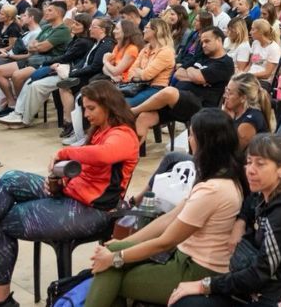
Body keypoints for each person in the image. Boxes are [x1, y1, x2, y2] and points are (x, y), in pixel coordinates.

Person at [0, 81, 140, 307]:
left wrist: (65, 152)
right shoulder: (101, 130)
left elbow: (103, 156)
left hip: (94, 212)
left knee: (1, 221)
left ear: (109, 106)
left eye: (92, 108)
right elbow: (89, 172)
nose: (86, 114)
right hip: (73, 196)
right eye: (85, 108)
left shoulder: (124, 135)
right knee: (10, 179)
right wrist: (61, 181)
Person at [86, 108, 246, 307]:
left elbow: (165, 241)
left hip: (197, 269)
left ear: (206, 142)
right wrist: (121, 244)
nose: (189, 139)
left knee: (110, 273)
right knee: (111, 255)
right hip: (185, 257)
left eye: (192, 135)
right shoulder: (218, 175)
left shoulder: (213, 189)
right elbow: (168, 218)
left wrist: (116, 258)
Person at [169, 134, 281, 307]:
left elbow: (260, 273)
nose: (250, 170)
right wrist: (240, 221)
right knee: (186, 301)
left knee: (188, 302)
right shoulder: (264, 195)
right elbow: (249, 203)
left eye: (260, 164)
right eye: (249, 162)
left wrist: (205, 285)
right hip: (259, 291)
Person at [131, 26, 235, 139]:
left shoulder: (225, 63)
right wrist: (194, 75)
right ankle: (132, 155)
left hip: (200, 105)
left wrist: (192, 72)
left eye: (207, 41)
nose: (203, 45)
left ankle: (133, 111)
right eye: (202, 42)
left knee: (169, 92)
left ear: (219, 40)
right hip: (177, 101)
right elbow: (178, 73)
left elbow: (198, 78)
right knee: (143, 118)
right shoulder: (201, 56)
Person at [221, 73, 273, 151]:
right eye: (226, 91)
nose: (225, 96)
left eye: (230, 93)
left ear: (243, 98)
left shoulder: (251, 120)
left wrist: (225, 121)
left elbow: (232, 152)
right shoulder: (234, 112)